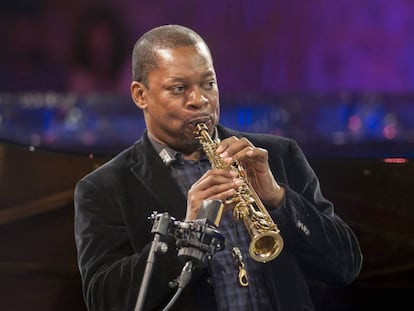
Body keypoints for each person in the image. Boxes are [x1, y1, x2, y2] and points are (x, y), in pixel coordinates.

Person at [74, 24, 362, 311]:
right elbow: (104, 300)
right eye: (179, 88)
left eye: (208, 84)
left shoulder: (279, 154)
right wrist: (186, 235)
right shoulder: (103, 188)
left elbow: (345, 266)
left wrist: (279, 199)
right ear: (140, 95)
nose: (200, 100)